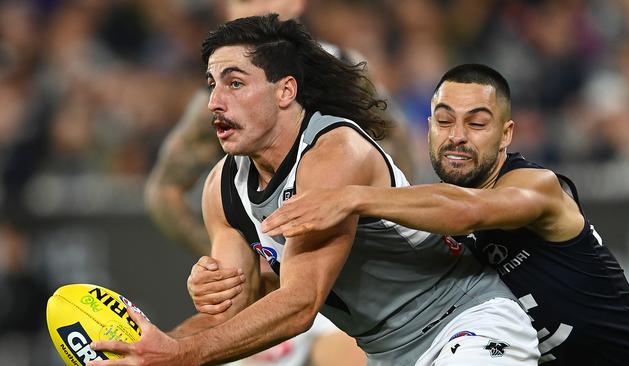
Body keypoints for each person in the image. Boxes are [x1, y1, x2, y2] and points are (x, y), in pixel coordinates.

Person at [89, 15, 539, 366]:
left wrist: (181, 356)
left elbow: (300, 304)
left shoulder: (333, 151)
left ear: (286, 91)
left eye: (235, 82)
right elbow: (234, 311)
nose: (214, 101)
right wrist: (155, 346)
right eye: (212, 84)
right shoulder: (221, 189)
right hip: (387, 351)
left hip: (465, 322)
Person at [260, 63, 629, 365]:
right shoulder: (425, 211)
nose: (457, 136)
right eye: (444, 122)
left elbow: (468, 210)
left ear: (506, 133)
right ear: (428, 128)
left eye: (477, 123)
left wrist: (351, 197)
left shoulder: (537, 186)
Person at [144, 0, 415, 257]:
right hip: (286, 257)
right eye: (241, 0)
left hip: (361, 258)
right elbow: (164, 192)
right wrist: (236, 261)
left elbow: (394, 143)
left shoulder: (344, 66)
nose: (253, 9)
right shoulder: (214, 102)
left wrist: (393, 218)